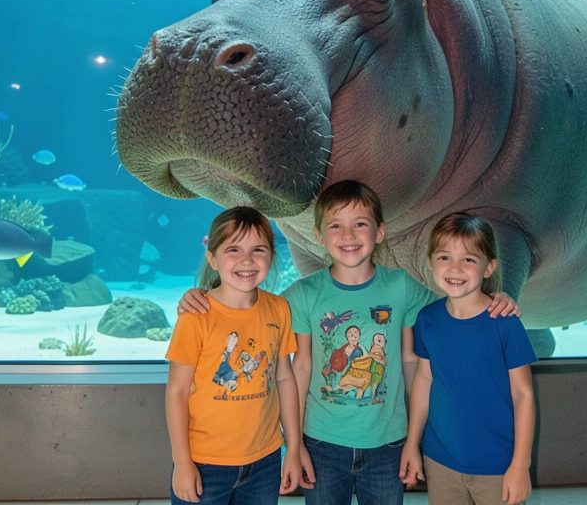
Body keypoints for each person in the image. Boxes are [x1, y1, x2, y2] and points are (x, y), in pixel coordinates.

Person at [177, 180, 520, 505]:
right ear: (318, 236)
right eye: (336, 225)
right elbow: (293, 358)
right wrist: (198, 296)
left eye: (360, 224)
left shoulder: (401, 286)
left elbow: (455, 302)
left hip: (388, 442)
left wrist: (495, 297)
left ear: (379, 231)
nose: (348, 235)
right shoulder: (302, 295)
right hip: (321, 441)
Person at [165, 206, 306, 504]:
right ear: (212, 258)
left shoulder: (279, 309)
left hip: (265, 460)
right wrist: (182, 462)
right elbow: (176, 391)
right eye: (233, 249)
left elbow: (284, 378)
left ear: (271, 255)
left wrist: (293, 447)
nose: (246, 260)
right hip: (204, 462)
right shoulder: (195, 314)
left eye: (258, 249)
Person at [399, 212, 537, 505]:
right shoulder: (427, 320)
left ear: (489, 268)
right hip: (441, 461)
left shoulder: (505, 321)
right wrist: (412, 443)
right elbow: (425, 379)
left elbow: (523, 394)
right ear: (431, 262)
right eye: (444, 257)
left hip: (498, 464)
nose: (455, 268)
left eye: (469, 260)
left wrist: (520, 465)